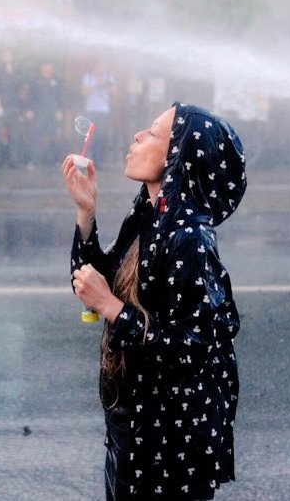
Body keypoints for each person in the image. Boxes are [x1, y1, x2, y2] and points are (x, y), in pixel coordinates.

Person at [63, 101, 246, 500]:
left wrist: (112, 308)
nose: (138, 136)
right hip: (136, 425)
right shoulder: (150, 215)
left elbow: (189, 350)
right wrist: (86, 212)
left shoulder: (189, 238)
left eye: (153, 133)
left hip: (170, 445)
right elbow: (90, 283)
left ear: (176, 157)